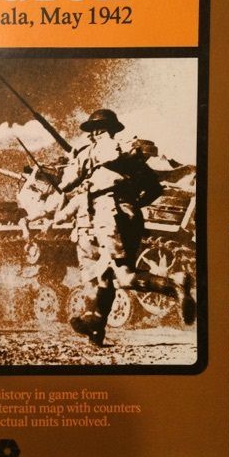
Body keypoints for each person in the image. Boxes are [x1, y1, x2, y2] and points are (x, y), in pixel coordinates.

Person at [59, 109, 191, 346]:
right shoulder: (133, 157)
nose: (91, 135)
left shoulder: (93, 150)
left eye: (94, 131)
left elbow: (65, 184)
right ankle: (96, 329)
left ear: (100, 131)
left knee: (123, 275)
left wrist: (73, 159)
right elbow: (155, 189)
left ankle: (175, 283)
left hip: (104, 213)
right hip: (128, 214)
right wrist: (131, 203)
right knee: (104, 276)